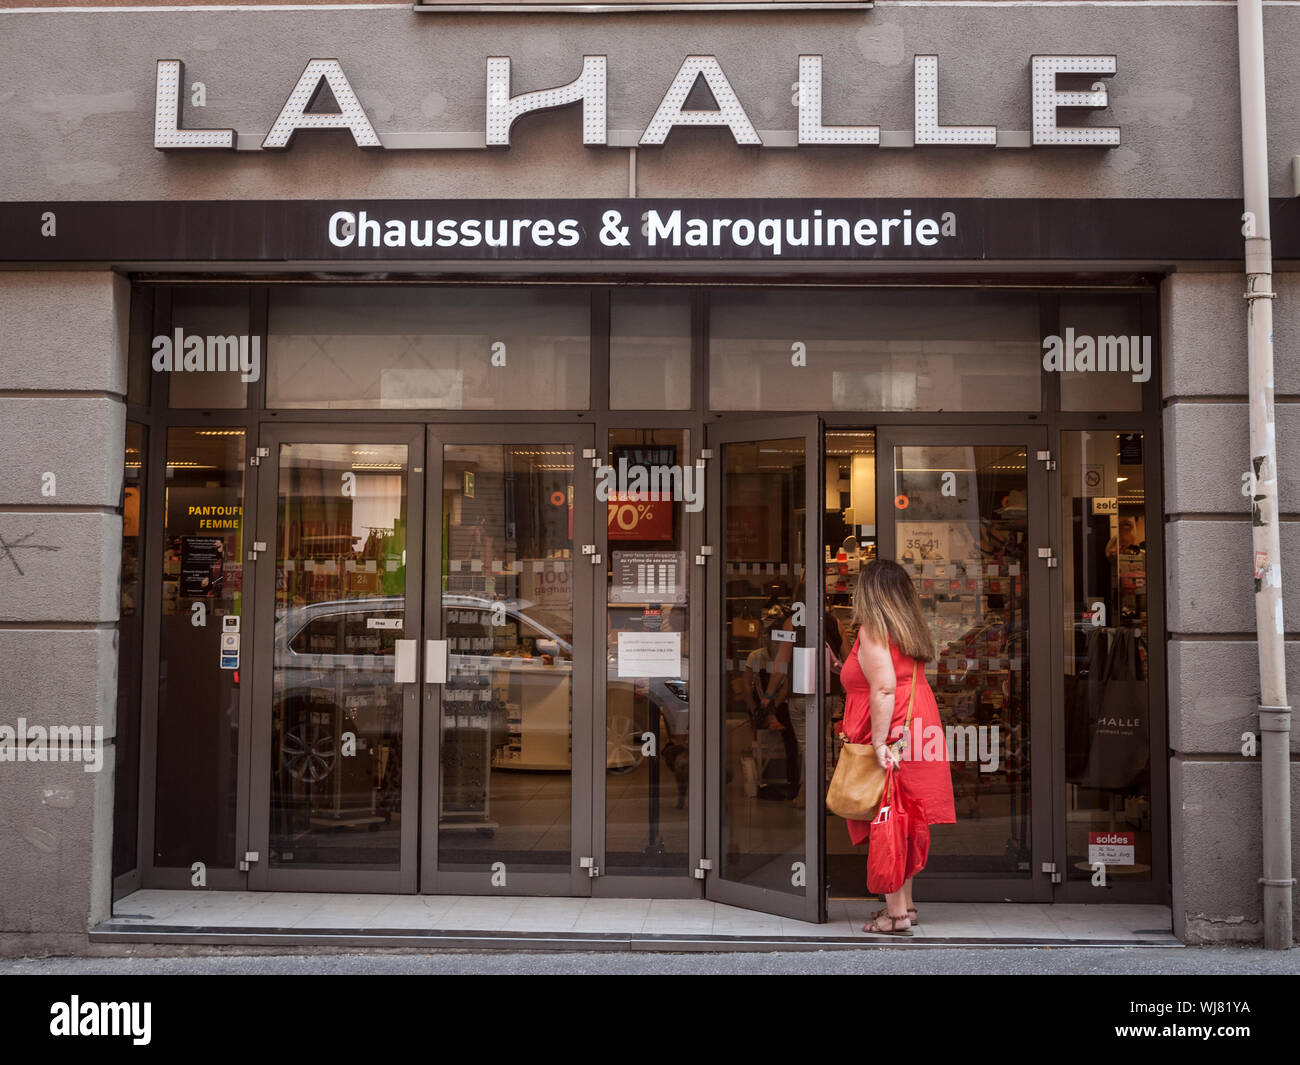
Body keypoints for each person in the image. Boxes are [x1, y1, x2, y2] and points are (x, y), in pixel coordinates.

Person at [840, 559, 955, 936]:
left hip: (892, 732)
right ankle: (905, 906)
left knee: (886, 818)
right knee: (906, 819)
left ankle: (895, 915)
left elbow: (885, 687)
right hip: (918, 724)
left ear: (869, 592)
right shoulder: (910, 628)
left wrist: (876, 741)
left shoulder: (874, 629)